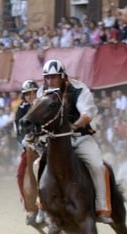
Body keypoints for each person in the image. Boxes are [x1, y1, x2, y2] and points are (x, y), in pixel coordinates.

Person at [37, 59, 112, 224]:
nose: (50, 81)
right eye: (48, 77)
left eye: (54, 77)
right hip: (56, 142)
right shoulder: (42, 92)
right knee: (38, 164)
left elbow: (87, 113)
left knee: (98, 166)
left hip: (81, 138)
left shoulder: (79, 89)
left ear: (63, 76)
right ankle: (41, 207)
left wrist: (75, 125)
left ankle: (102, 208)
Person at [14, 79, 38, 222]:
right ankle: (28, 206)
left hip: (48, 143)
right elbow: (19, 131)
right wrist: (25, 142)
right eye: (27, 94)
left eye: (33, 92)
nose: (31, 96)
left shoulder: (45, 103)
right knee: (19, 175)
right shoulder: (21, 110)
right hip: (30, 146)